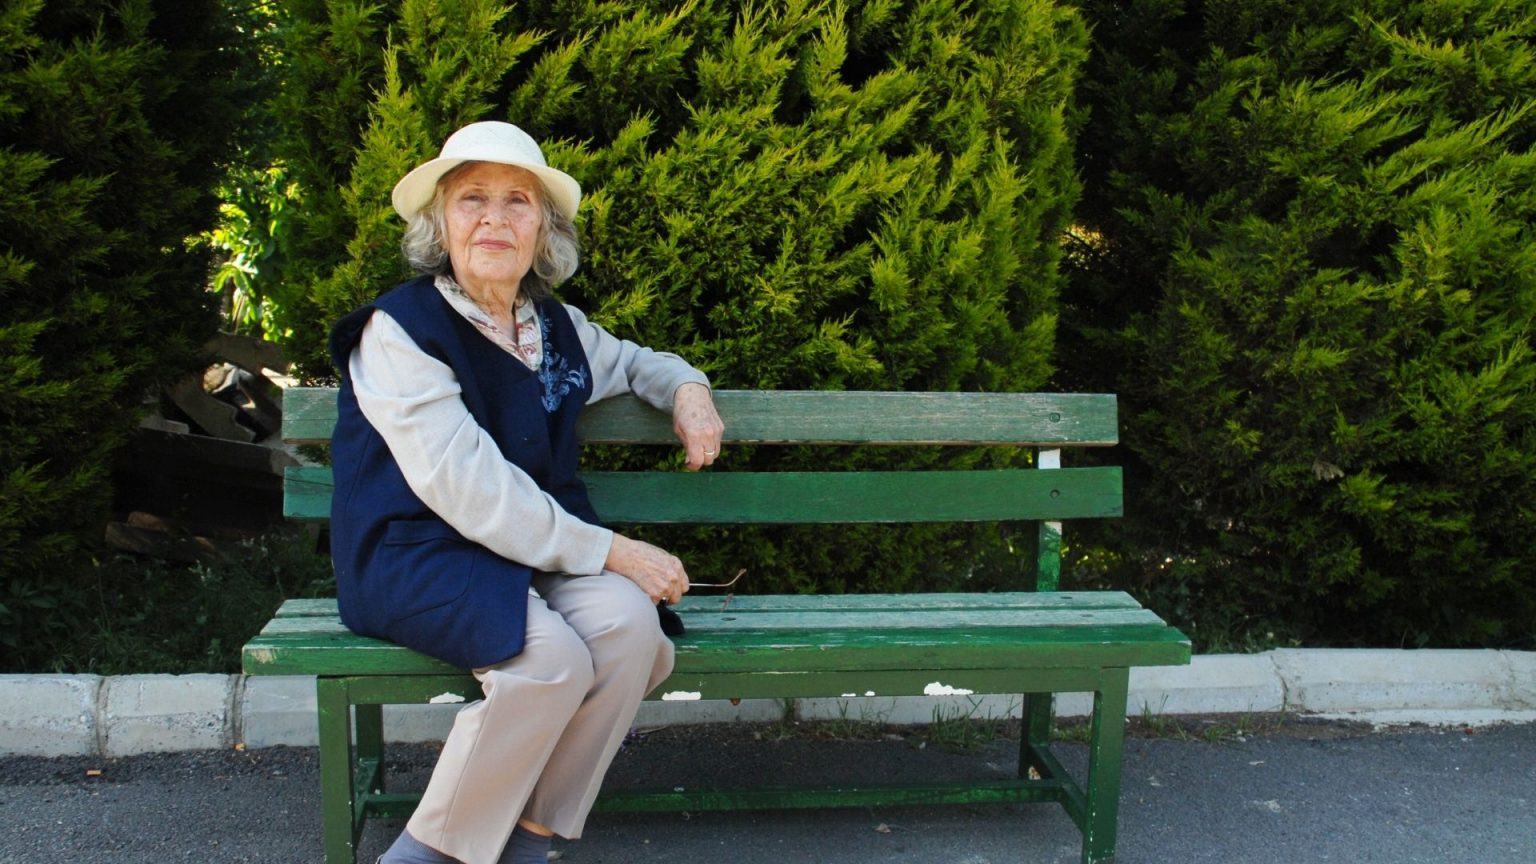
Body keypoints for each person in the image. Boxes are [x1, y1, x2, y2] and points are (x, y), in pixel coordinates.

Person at [326, 120, 725, 864]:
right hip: (417, 549)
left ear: (542, 229)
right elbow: (468, 489)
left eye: (518, 202)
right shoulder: (398, 331)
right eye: (472, 199)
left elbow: (639, 362)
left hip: (531, 552)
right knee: (550, 664)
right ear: (440, 224)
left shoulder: (554, 327)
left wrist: (688, 390)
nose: (495, 219)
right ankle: (426, 854)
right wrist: (613, 551)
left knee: (630, 633)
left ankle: (529, 839)